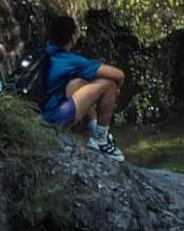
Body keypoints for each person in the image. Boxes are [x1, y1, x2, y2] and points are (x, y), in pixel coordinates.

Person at [39, 15, 125, 160]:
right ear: (72, 37)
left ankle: (93, 128)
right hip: (50, 118)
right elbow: (119, 75)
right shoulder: (70, 60)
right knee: (109, 84)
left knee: (80, 82)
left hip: (33, 112)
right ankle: (101, 140)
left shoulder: (41, 52)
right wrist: (116, 89)